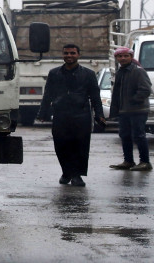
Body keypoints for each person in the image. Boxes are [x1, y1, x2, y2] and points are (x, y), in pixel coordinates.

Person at [36, 44, 106, 187]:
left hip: (81, 115)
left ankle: (77, 175)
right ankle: (66, 172)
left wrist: (99, 115)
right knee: (61, 145)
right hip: (61, 114)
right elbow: (48, 94)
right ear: (63, 55)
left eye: (72, 53)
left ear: (78, 55)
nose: (69, 56)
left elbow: (95, 97)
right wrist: (42, 113)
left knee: (80, 146)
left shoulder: (88, 74)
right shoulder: (54, 73)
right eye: (66, 53)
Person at [109, 47, 154, 171]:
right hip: (124, 111)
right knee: (125, 135)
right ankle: (128, 161)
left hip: (138, 110)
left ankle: (145, 162)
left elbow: (145, 89)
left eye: (126, 56)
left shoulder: (138, 71)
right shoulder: (120, 72)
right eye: (120, 56)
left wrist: (134, 100)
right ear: (117, 58)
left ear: (131, 57)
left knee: (139, 135)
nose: (123, 58)